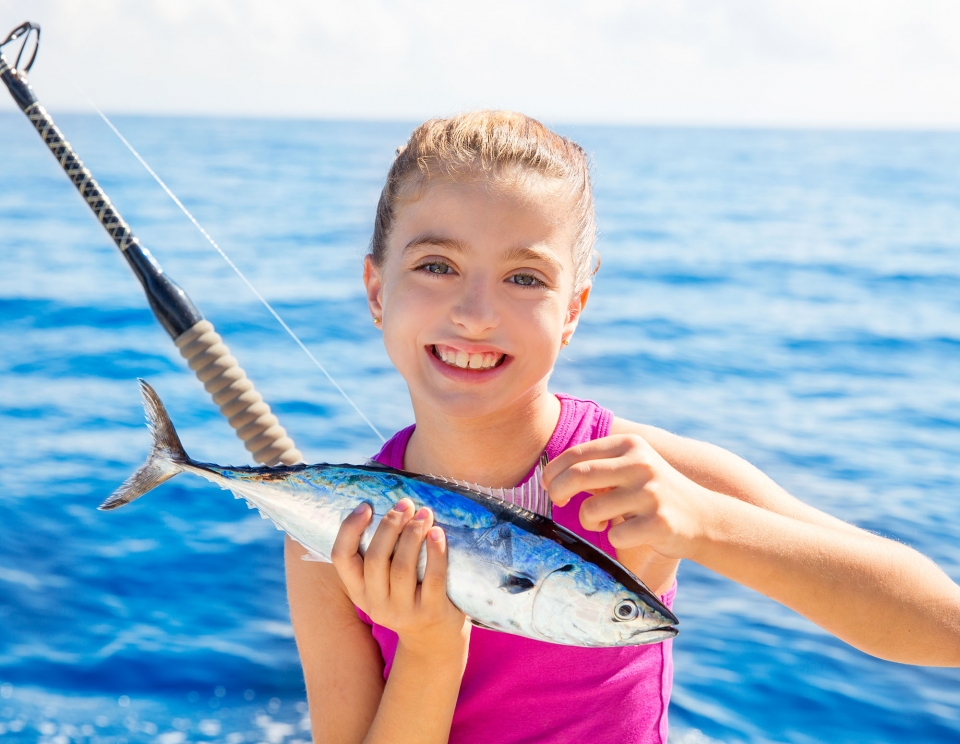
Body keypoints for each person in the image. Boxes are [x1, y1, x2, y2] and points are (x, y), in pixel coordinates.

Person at [285, 111, 960, 744]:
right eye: (437, 266)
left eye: (525, 278)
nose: (476, 313)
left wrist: (705, 523)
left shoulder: (646, 478)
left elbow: (944, 627)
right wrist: (430, 651)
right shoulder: (332, 534)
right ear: (377, 291)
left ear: (573, 309)